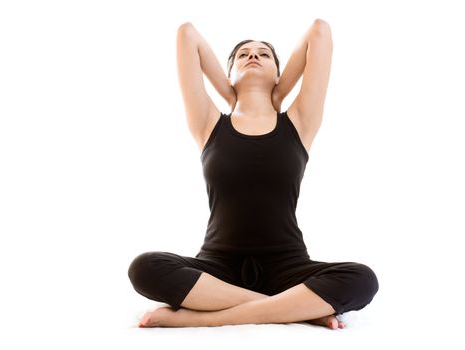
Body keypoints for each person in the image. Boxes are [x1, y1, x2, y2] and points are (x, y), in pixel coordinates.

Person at [128, 19, 379, 329]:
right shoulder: (209, 124)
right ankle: (297, 309)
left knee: (362, 279)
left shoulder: (299, 122)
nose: (253, 56)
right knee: (144, 268)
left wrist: (278, 94)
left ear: (278, 73)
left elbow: (320, 31)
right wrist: (232, 96)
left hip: (288, 265)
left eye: (264, 54)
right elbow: (187, 35)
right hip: (217, 266)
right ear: (229, 74)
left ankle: (202, 319)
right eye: (243, 55)